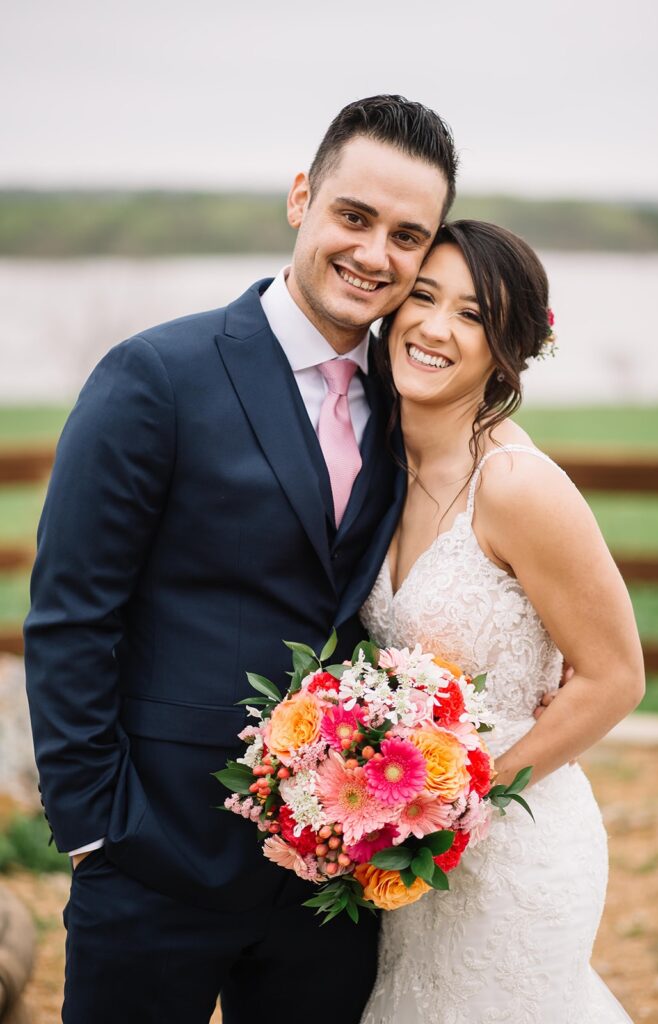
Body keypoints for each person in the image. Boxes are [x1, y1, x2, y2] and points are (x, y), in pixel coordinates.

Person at [23, 95, 457, 1023]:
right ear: (301, 198)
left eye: (407, 235)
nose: (374, 253)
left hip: (330, 880)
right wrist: (96, 829)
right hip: (153, 855)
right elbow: (70, 613)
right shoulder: (156, 376)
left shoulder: (409, 402)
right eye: (354, 216)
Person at [359, 220, 644, 1023]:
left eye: (473, 315)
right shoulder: (376, 465)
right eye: (422, 296)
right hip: (405, 840)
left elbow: (616, 677)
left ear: (506, 349)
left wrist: (463, 808)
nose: (435, 328)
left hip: (514, 845)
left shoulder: (516, 486)